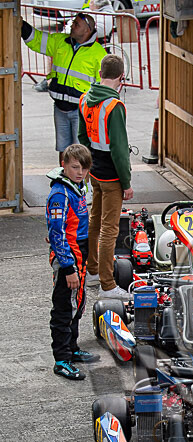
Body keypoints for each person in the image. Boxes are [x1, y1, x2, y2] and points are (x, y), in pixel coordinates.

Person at [78, 54, 133, 299]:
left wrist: (88, 167)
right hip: (112, 176)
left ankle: (91, 270)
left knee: (94, 220)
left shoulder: (84, 100)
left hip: (94, 172)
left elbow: (82, 139)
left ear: (100, 73)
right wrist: (127, 182)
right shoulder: (114, 106)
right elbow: (120, 150)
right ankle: (108, 284)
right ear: (121, 77)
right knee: (110, 229)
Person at [46, 143, 100, 381]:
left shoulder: (77, 186)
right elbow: (56, 234)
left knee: (78, 304)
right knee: (63, 308)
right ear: (64, 165)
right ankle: (61, 359)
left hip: (80, 251)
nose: (80, 172)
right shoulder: (60, 194)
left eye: (84, 168)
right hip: (68, 255)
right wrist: (67, 268)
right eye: (75, 167)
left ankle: (73, 348)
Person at [22, 13, 106, 161]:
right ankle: (65, 181)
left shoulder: (99, 54)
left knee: (81, 153)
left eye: (76, 24)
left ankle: (80, 183)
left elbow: (103, 87)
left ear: (87, 30)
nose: (72, 26)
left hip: (81, 112)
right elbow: (37, 39)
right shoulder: (61, 41)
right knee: (63, 150)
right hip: (60, 108)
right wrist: (21, 25)